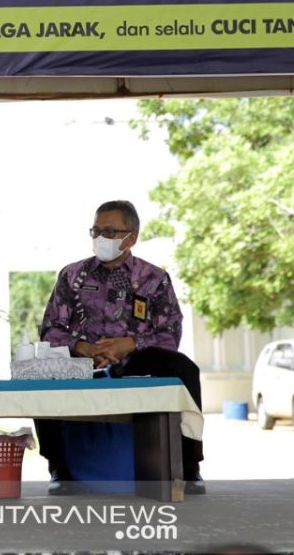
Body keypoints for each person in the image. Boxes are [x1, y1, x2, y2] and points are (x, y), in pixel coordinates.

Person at [37, 199, 205, 495]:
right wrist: (82, 347)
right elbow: (51, 329)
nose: (101, 237)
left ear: (131, 237)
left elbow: (170, 333)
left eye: (110, 231)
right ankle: (60, 469)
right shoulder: (72, 275)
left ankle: (189, 468)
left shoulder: (154, 278)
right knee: (41, 373)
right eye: (96, 230)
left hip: (136, 362)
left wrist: (130, 344)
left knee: (184, 368)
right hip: (82, 361)